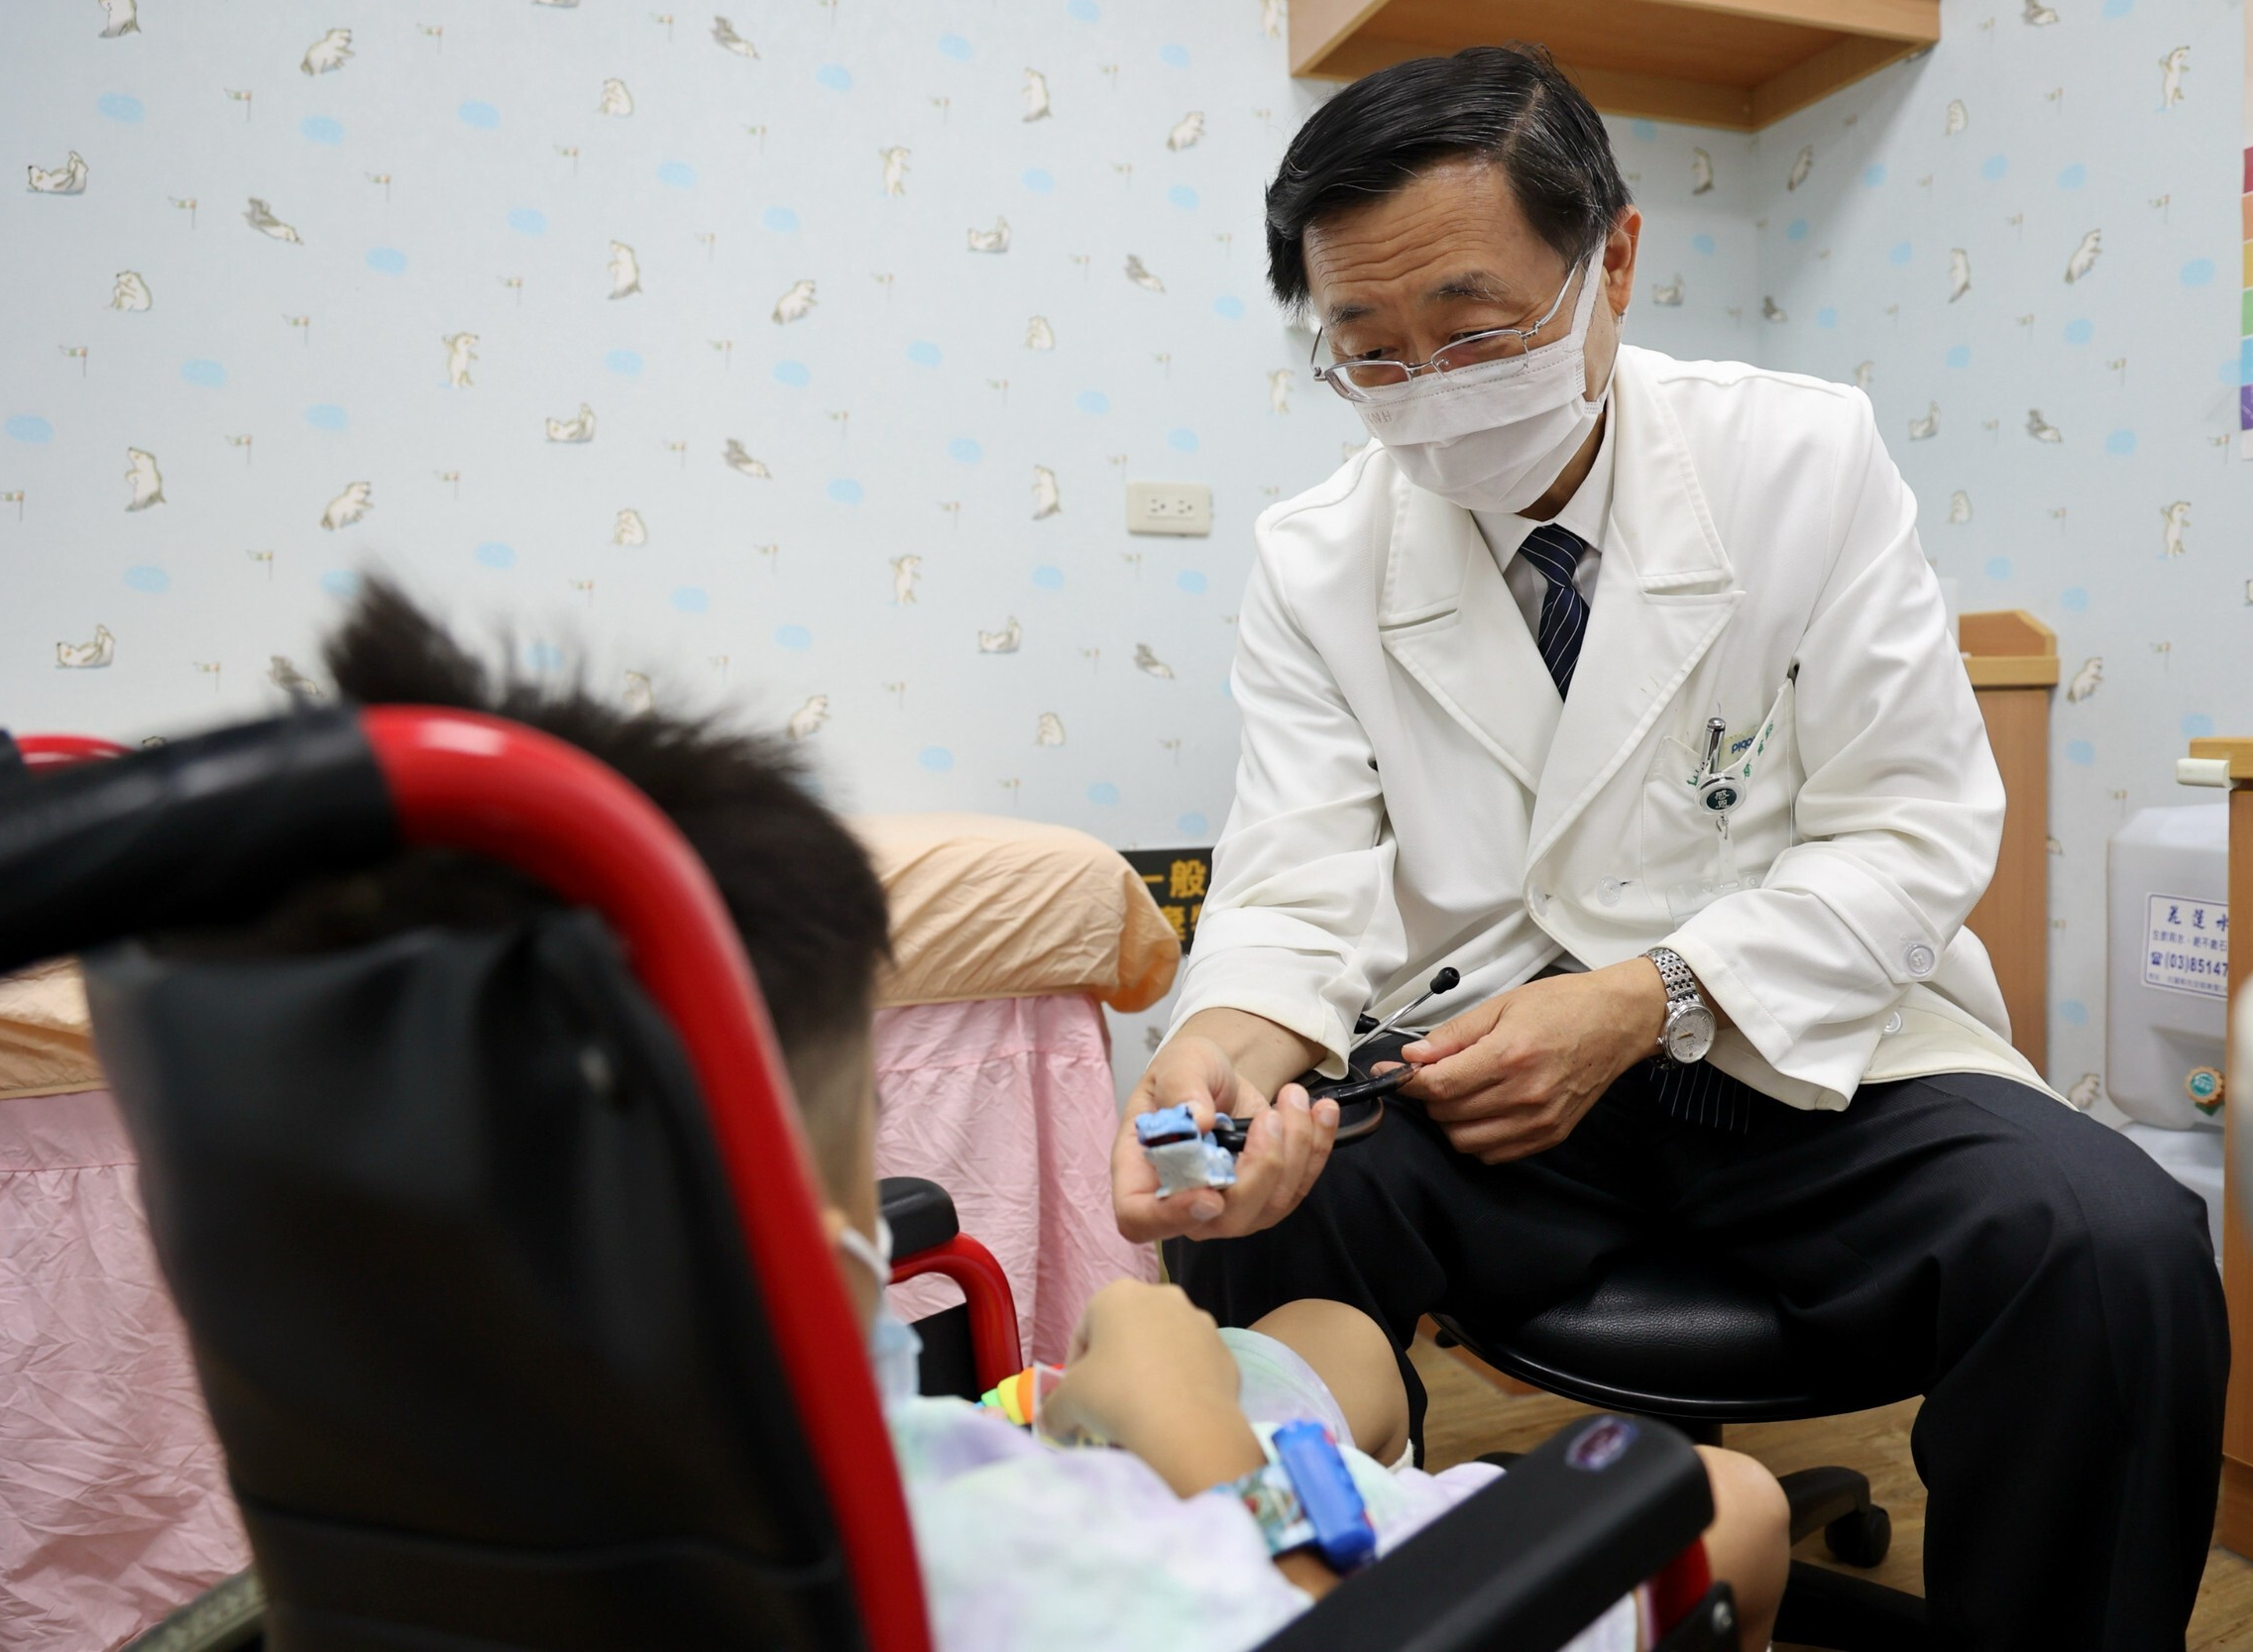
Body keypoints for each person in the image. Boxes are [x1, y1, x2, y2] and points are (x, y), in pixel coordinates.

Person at [1115, 44, 2230, 1652]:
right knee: (1265, 1208)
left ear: (1615, 260)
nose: (1430, 388)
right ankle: (1360, 1613)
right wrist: (1220, 1054)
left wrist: (1651, 997)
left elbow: (1913, 827)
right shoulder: (1314, 560)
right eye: (1370, 353)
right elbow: (1294, 878)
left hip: (1805, 1056)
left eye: (1475, 332)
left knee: (2117, 1245)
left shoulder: (1800, 461)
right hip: (1484, 1071)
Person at [259, 580, 1791, 1652]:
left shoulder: (413, 1460)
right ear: (803, 1243)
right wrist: (1193, 1441)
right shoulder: (1053, 1591)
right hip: (1213, 1553)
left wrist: (1223, 1052)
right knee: (1726, 1504)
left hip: (955, 1459)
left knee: (1330, 1340)